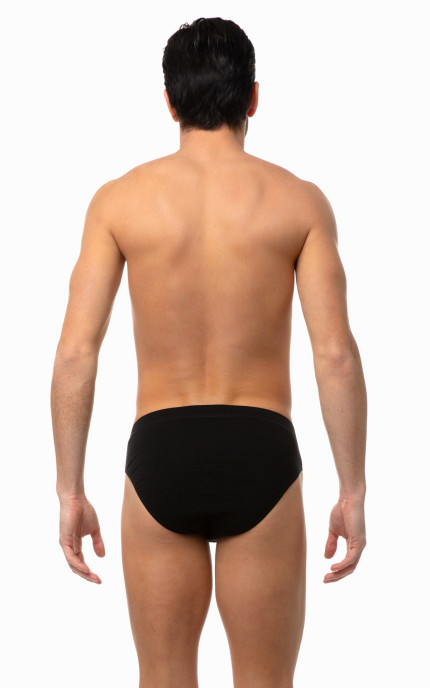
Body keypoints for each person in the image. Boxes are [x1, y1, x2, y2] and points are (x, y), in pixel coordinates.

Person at [51, 16, 367, 688]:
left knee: (162, 676)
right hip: (261, 451)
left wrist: (69, 490)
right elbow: (335, 355)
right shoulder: (300, 203)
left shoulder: (118, 202)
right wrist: (353, 489)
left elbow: (77, 352)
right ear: (252, 97)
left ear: (170, 103)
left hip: (160, 452)